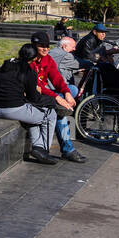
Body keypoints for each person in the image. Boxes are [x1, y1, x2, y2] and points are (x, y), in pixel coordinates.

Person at [0, 43, 59, 164]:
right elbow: (34, 98)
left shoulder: (5, 65)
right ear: (34, 58)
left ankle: (38, 147)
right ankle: (44, 151)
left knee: (33, 114)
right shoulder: (29, 72)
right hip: (12, 110)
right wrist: (52, 101)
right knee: (50, 114)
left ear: (19, 53)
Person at [29, 32, 86, 162]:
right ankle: (68, 149)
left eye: (47, 46)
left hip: (45, 95)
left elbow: (57, 79)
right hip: (33, 97)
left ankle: (68, 149)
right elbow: (37, 86)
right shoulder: (30, 60)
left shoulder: (47, 59)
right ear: (34, 46)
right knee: (59, 112)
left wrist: (65, 93)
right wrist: (57, 98)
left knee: (71, 89)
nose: (45, 49)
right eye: (41, 46)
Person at [74, 22, 119, 91]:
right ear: (95, 32)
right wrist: (102, 58)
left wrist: (108, 53)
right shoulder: (89, 40)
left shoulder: (97, 39)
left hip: (90, 61)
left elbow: (100, 51)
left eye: (105, 32)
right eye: (101, 32)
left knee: (110, 68)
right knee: (108, 69)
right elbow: (88, 56)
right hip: (83, 62)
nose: (104, 34)